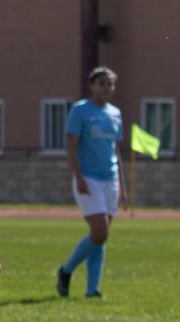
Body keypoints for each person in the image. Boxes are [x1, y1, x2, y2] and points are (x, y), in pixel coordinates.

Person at [57, 66, 126, 299]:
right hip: (90, 178)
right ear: (92, 86)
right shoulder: (81, 111)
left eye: (110, 84)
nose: (107, 88)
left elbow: (116, 150)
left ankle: (92, 290)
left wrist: (122, 187)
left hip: (111, 180)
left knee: (101, 236)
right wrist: (79, 177)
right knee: (100, 232)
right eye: (102, 83)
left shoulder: (115, 113)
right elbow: (72, 146)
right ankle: (66, 271)